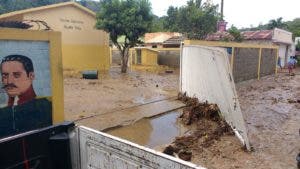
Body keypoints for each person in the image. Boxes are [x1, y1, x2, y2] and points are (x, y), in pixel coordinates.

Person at [0, 54, 52, 138]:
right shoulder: (3, 111)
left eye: (16, 75)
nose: (9, 81)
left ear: (31, 76)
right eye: (5, 75)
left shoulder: (45, 107)